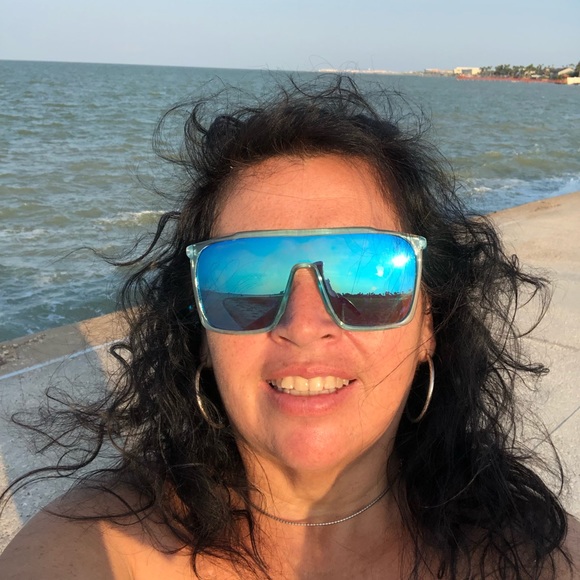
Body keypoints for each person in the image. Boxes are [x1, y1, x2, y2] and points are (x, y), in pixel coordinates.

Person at [0, 75, 578, 579]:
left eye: (365, 273)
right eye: (244, 280)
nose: (304, 325)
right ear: (202, 338)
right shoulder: (99, 547)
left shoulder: (536, 555)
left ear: (430, 324)